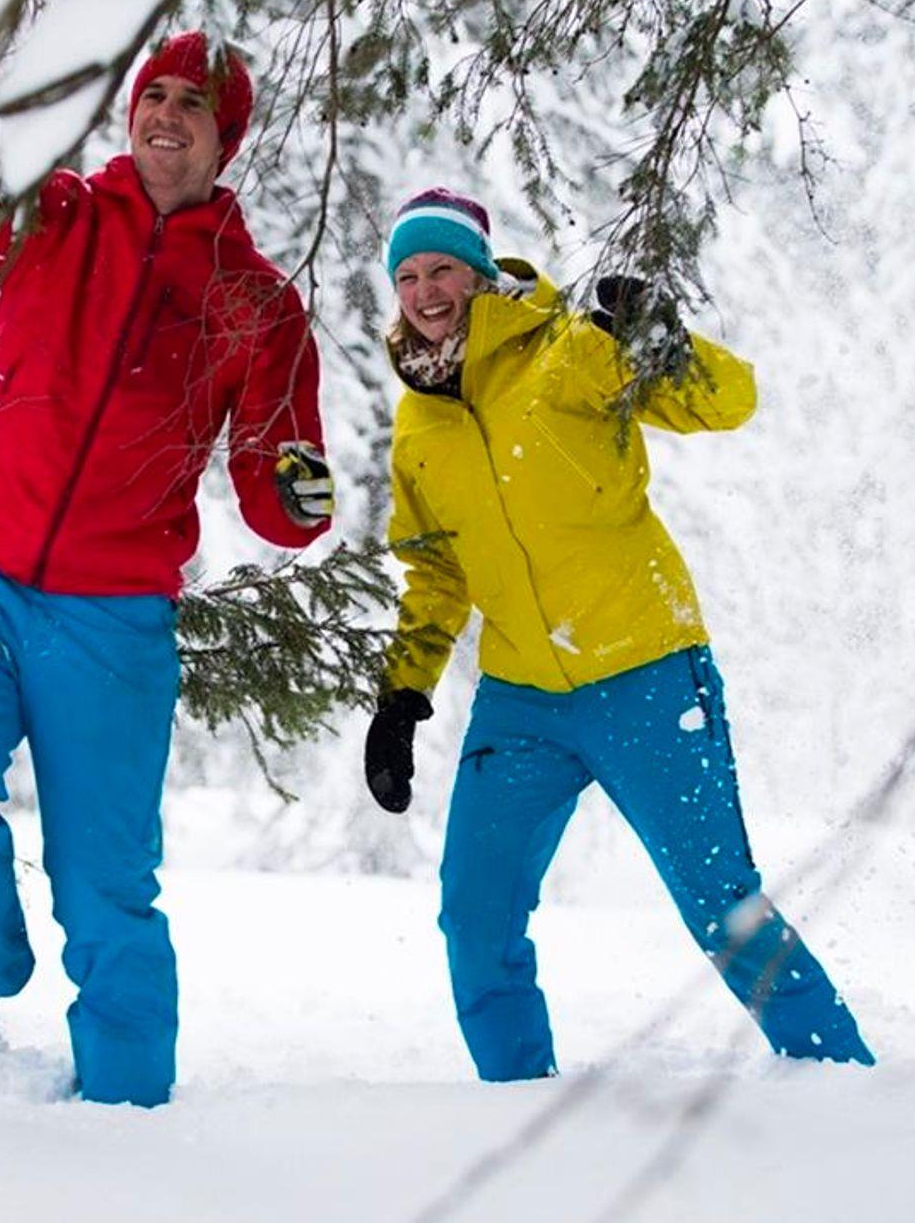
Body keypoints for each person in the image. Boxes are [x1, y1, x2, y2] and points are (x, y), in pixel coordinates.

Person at [0, 33, 335, 1107]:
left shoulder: (253, 301)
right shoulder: (58, 216)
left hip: (112, 618)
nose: (166, 114)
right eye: (154, 94)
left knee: (104, 883)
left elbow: (274, 481)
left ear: (226, 138)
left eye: (194, 104)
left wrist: (295, 490)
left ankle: (129, 1114)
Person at [363, 187, 872, 1081]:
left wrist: (658, 337)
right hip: (521, 702)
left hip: (645, 673)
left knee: (721, 905)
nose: (425, 292)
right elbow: (437, 572)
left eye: (442, 269)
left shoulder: (568, 348)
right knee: (475, 916)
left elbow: (730, 400)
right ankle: (515, 1103)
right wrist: (403, 695)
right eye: (407, 276)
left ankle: (840, 1078)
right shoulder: (418, 419)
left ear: (480, 274)